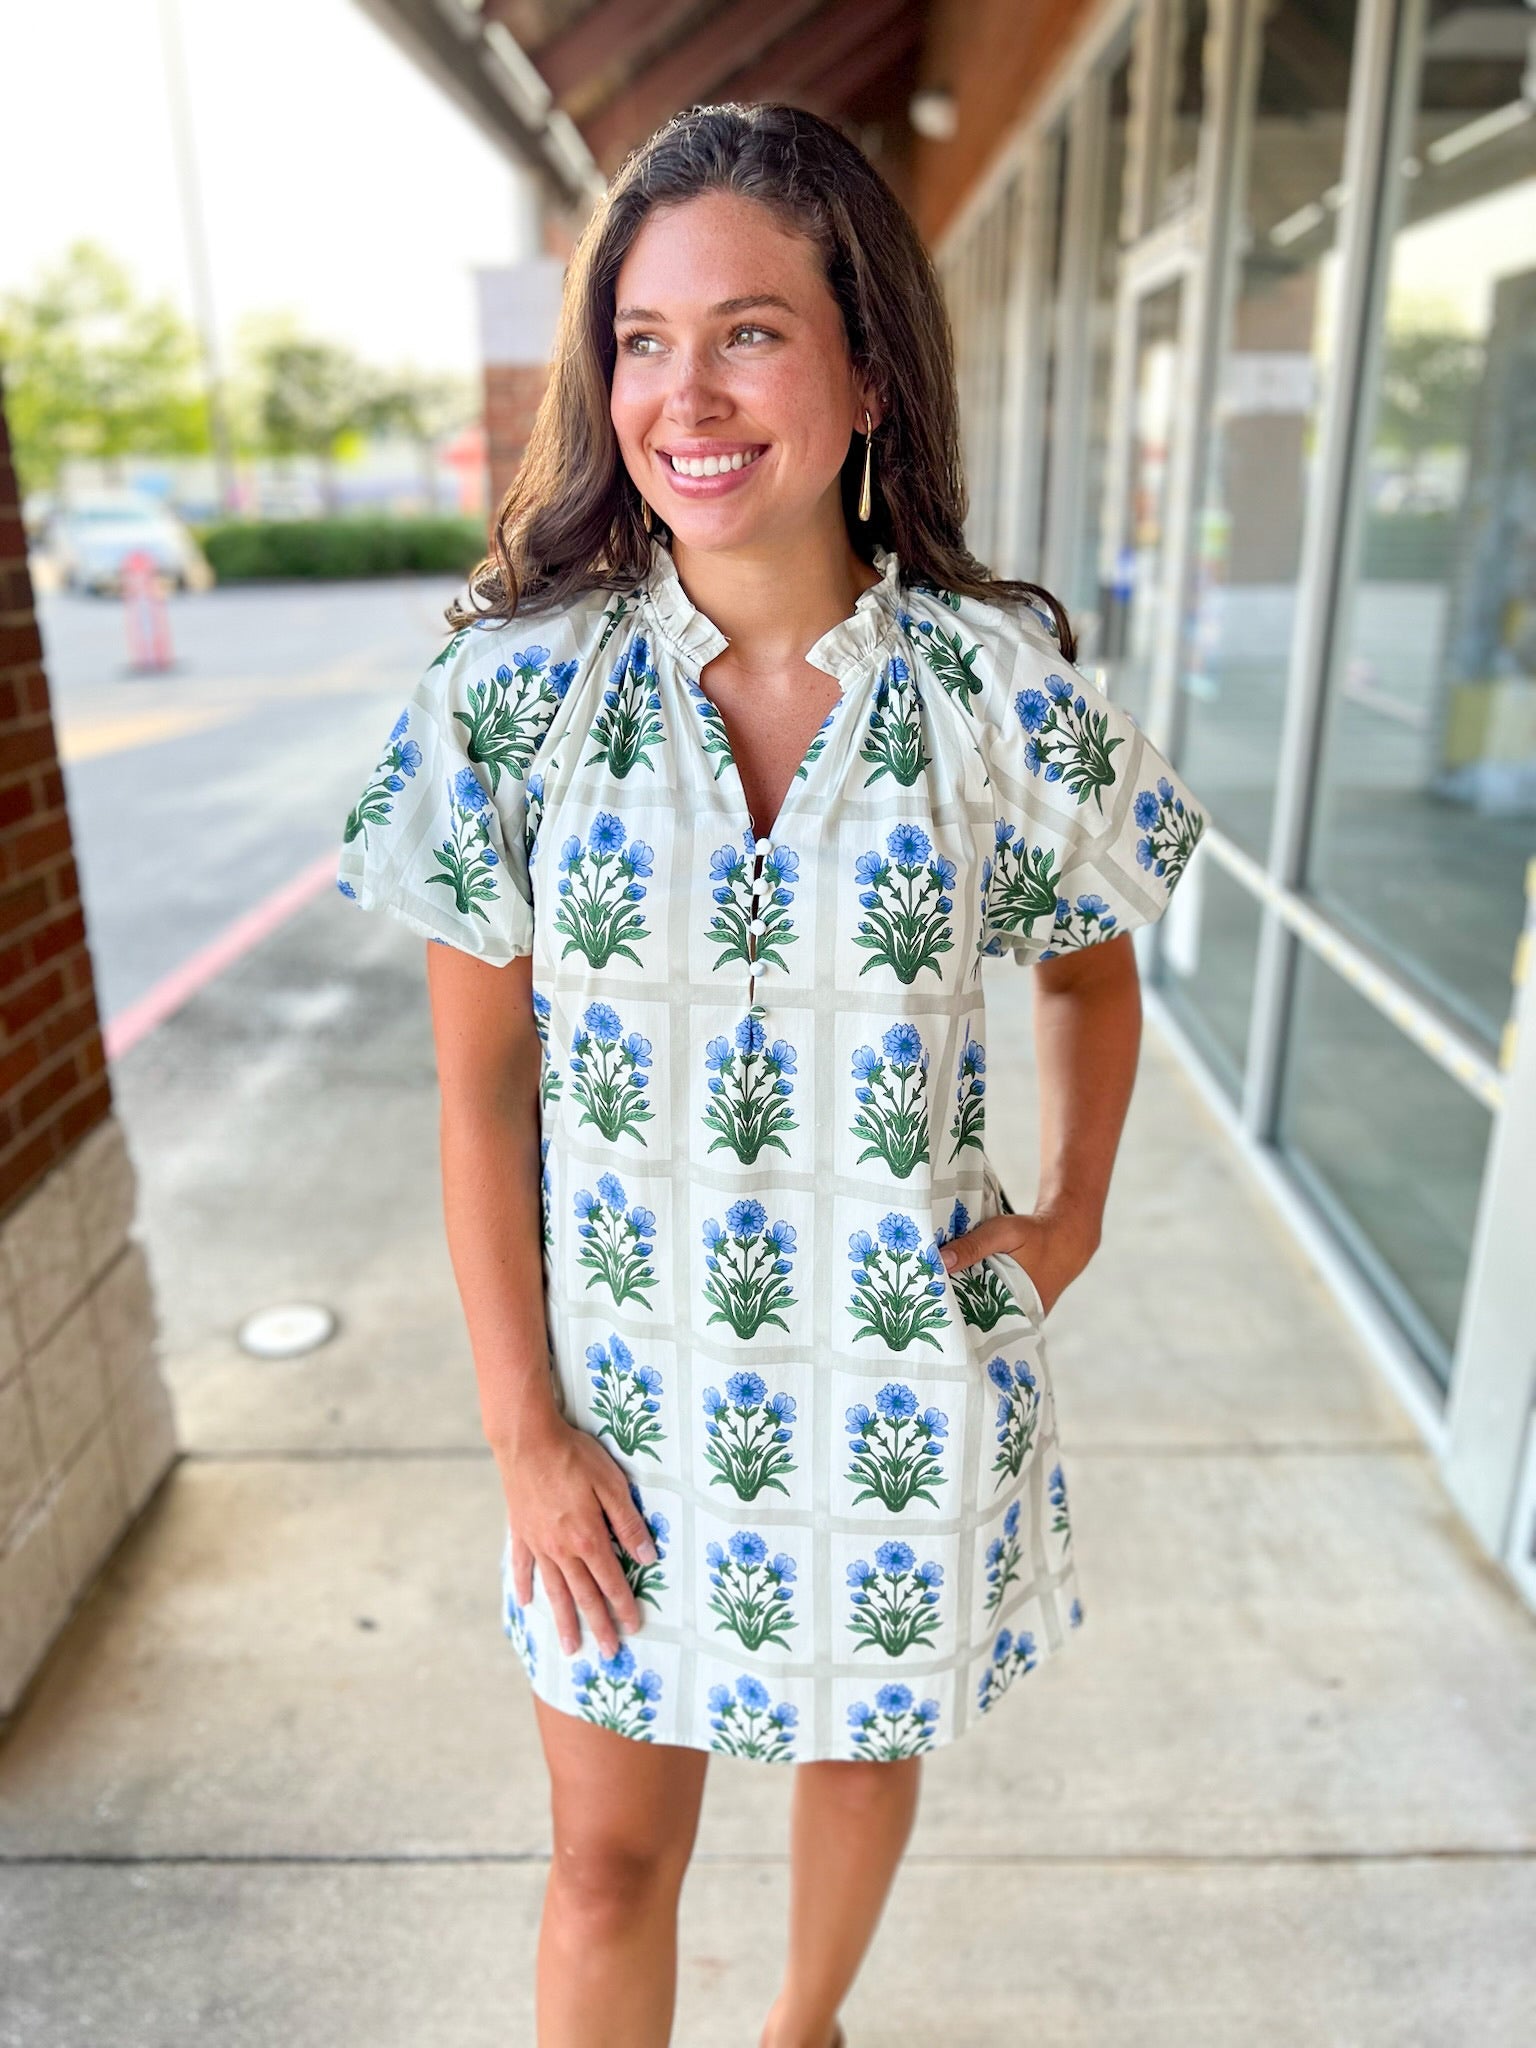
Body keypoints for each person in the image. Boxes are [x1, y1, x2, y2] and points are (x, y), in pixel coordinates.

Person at [337, 100, 1205, 2048]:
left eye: (748, 329)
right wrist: (525, 1436)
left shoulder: (1000, 694)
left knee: (856, 1743)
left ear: (868, 365)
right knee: (597, 1866)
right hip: (618, 1423)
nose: (686, 391)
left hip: (892, 1389)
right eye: (643, 338)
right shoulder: (513, 697)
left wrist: (1067, 1218)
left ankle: (802, 2022)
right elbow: (475, 1094)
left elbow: (1090, 970)